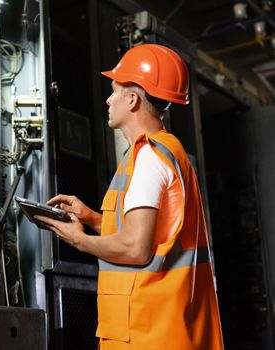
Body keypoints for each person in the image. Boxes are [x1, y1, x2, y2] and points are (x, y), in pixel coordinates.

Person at [35, 44, 224, 349]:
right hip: (165, 327)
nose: (109, 100)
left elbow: (137, 249)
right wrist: (94, 219)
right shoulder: (166, 151)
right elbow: (153, 234)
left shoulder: (148, 157)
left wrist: (78, 239)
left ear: (133, 99)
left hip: (145, 330)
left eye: (114, 90)